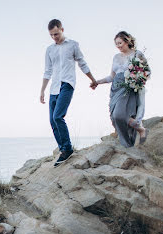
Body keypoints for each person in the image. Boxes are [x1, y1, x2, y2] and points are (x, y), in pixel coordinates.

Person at [40, 19, 97, 166]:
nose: (54, 37)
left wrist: (93, 79)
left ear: (62, 29)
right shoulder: (50, 50)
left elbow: (82, 63)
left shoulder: (73, 45)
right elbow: (48, 71)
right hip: (53, 88)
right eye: (52, 35)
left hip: (67, 84)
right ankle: (63, 149)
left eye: (56, 34)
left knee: (58, 116)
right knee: (52, 120)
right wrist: (42, 91)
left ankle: (67, 149)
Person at [91, 31, 150, 147]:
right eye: (116, 44)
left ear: (127, 41)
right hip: (115, 88)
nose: (118, 46)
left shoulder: (137, 54)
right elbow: (111, 77)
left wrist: (137, 80)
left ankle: (133, 137)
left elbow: (147, 71)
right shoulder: (116, 57)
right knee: (115, 116)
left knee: (119, 115)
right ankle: (138, 132)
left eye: (120, 43)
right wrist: (97, 82)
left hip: (129, 87)